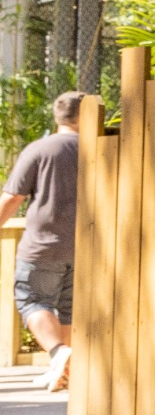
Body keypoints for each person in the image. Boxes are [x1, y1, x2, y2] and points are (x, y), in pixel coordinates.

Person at [1, 91, 85, 393]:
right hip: (85, 245)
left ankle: (57, 353)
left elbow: (12, 198)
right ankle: (60, 370)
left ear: (57, 116)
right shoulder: (102, 148)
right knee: (67, 308)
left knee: (32, 300)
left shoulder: (40, 149)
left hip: (42, 245)